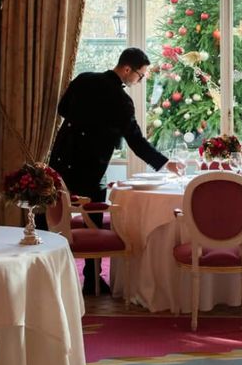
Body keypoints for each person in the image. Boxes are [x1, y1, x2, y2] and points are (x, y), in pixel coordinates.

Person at [49, 46, 178, 295]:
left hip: (62, 155)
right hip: (91, 164)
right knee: (94, 220)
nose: (140, 81)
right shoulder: (121, 101)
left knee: (55, 215)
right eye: (140, 76)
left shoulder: (84, 78)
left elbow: (63, 109)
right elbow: (136, 141)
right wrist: (165, 163)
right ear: (127, 69)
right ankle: (91, 280)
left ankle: (53, 275)